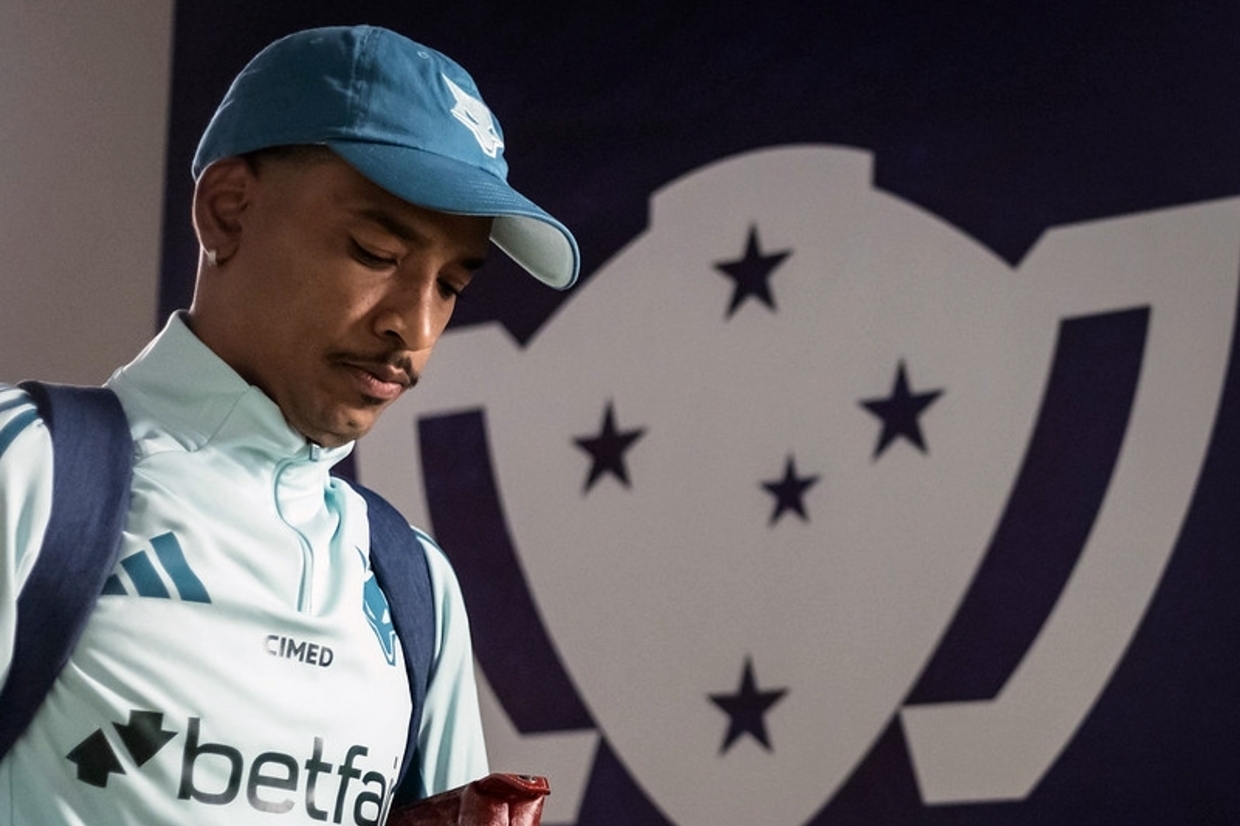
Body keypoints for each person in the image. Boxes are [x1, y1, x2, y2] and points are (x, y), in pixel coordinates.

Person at [0, 24, 578, 826]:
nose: (414, 328)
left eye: (451, 285)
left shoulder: (415, 586)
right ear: (228, 212)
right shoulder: (24, 472)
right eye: (376, 251)